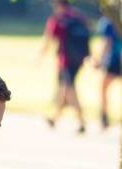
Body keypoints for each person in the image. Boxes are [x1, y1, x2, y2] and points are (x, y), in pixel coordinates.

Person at [40, 0, 90, 134]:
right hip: (79, 60)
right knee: (65, 89)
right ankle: (55, 118)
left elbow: (49, 39)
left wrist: (41, 56)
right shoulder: (79, 17)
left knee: (70, 89)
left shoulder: (58, 20)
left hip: (65, 60)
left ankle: (81, 121)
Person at [95, 16, 122, 129]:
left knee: (103, 88)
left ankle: (104, 117)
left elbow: (107, 43)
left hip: (114, 60)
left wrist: (100, 60)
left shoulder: (108, 22)